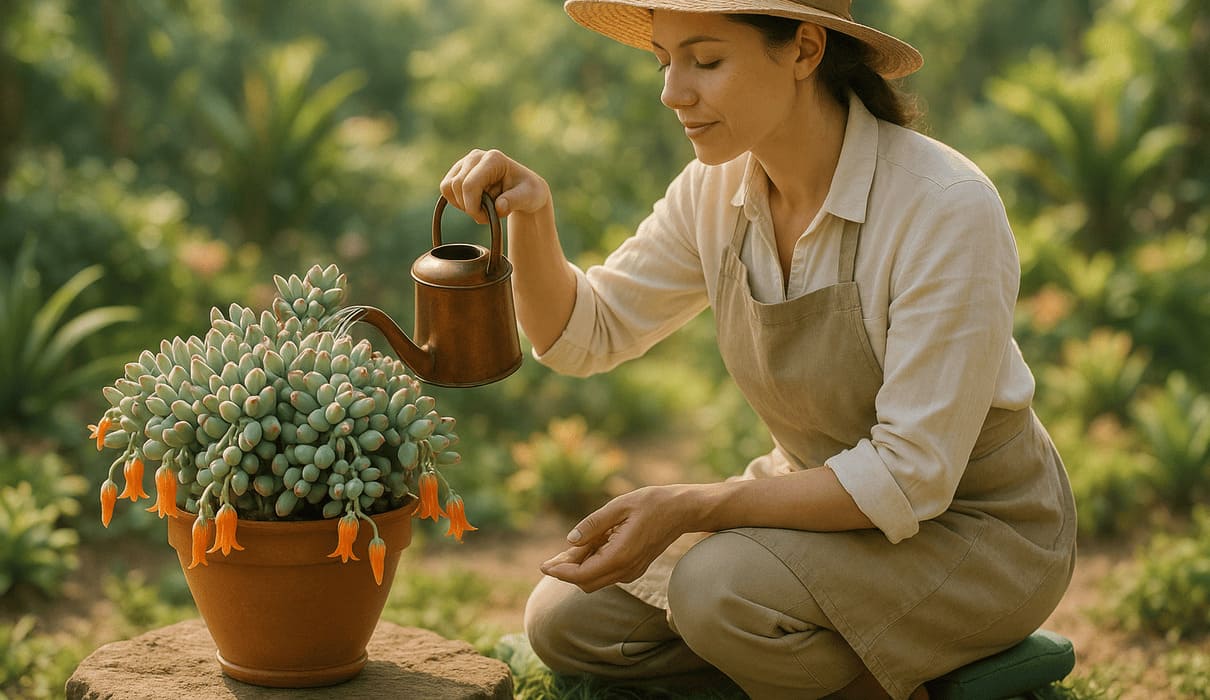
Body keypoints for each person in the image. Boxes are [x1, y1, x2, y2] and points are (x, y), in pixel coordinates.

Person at [439, 1, 1077, 698]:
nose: (672, 91)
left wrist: (694, 506)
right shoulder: (715, 190)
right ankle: (852, 667)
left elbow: (911, 476)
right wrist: (533, 216)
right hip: (815, 512)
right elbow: (583, 334)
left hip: (971, 532)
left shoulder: (945, 206)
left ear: (805, 51)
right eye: (664, 60)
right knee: (566, 620)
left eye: (706, 61)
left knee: (717, 591)